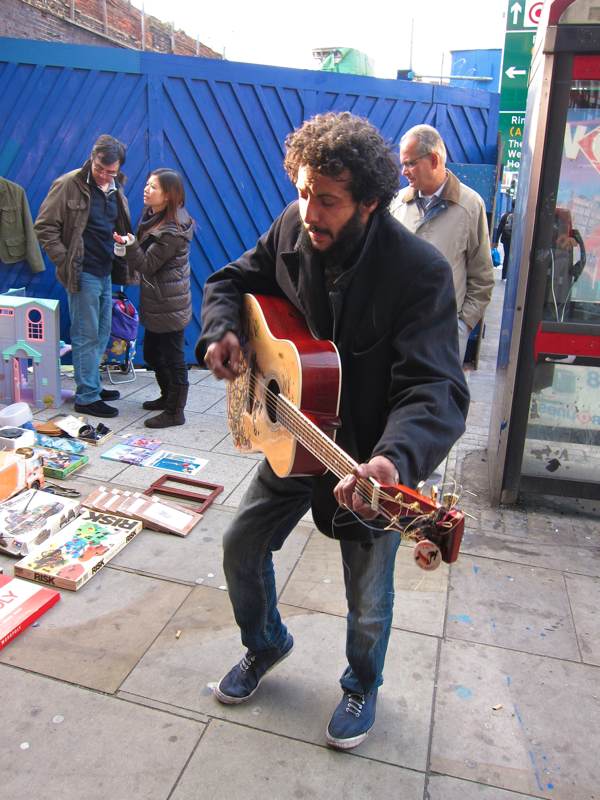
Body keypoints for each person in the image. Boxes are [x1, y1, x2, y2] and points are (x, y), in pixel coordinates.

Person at [197, 111, 469, 751]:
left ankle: (361, 682)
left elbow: (437, 387)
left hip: (368, 464)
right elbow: (231, 280)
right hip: (294, 436)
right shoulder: (293, 227)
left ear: (370, 201)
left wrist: (394, 460)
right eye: (301, 192)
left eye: (328, 201)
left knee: (368, 599)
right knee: (240, 543)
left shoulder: (418, 273)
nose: (308, 212)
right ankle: (266, 643)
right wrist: (223, 333)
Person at [35, 134, 132, 418]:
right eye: (99, 168)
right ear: (92, 158)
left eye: (110, 171)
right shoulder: (68, 184)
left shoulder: (116, 188)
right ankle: (87, 397)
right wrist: (65, 260)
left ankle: (92, 384)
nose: (103, 175)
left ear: (118, 169)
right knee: (86, 334)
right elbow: (44, 226)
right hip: (82, 271)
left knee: (102, 332)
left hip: (105, 269)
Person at [391, 124, 494, 361]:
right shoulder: (396, 204)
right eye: (403, 164)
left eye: (410, 163)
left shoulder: (469, 206)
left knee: (439, 397)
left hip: (443, 337)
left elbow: (483, 277)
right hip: (397, 331)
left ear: (434, 160)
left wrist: (462, 327)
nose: (404, 171)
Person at [114, 169, 193, 428]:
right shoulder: (154, 216)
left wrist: (129, 245)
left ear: (169, 195)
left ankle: (175, 412)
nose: (146, 190)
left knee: (173, 358)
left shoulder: (171, 229)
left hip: (169, 304)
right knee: (152, 353)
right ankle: (166, 397)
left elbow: (147, 265)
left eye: (153, 187)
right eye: (147, 184)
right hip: (159, 301)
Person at [494, 200, 515, 280]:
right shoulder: (519, 217)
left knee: (507, 257)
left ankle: (504, 276)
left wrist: (496, 241)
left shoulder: (506, 215)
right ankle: (510, 276)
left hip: (506, 240)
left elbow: (499, 228)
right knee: (513, 258)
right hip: (514, 241)